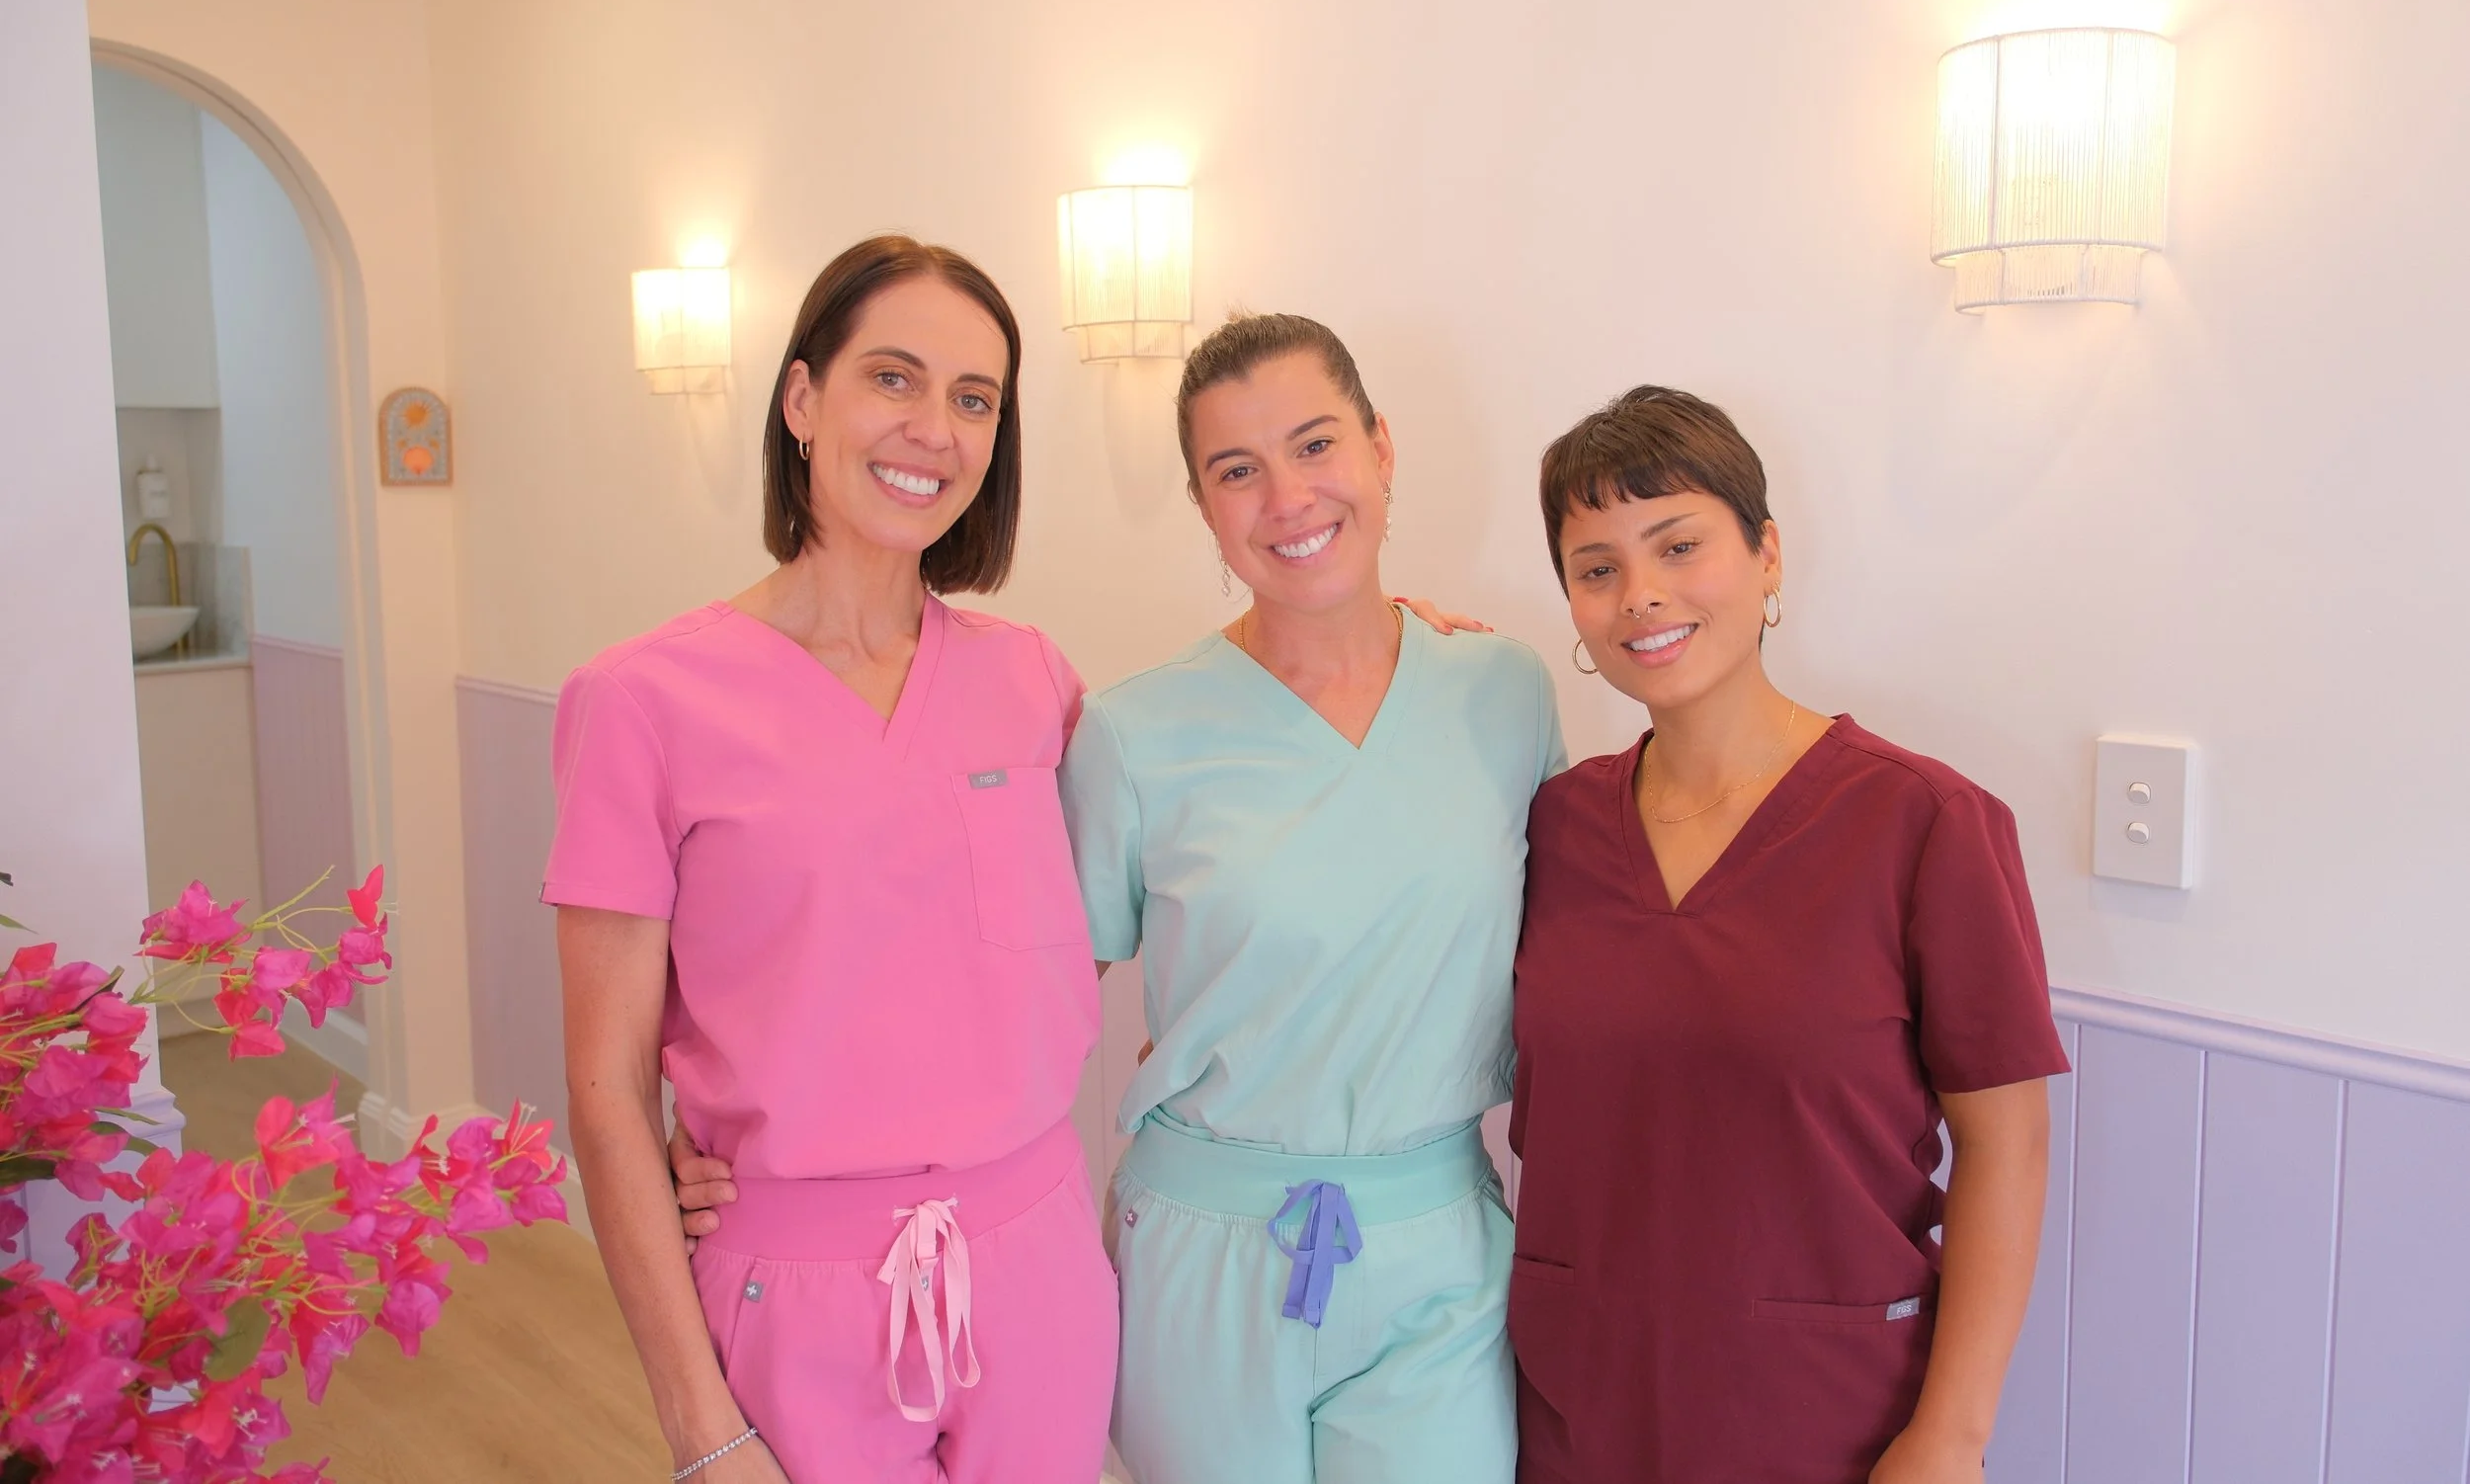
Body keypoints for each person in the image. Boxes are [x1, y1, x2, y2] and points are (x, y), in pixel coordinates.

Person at [546, 237, 1117, 1484]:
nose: (935, 428)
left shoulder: (1033, 680)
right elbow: (603, 1089)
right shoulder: (641, 703)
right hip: (792, 1295)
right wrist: (703, 1429)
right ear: (802, 399)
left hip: (1040, 1267)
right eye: (893, 378)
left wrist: (1377, 623)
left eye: (975, 398)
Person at [1507, 386, 2067, 1484]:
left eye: (1678, 544)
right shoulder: (1555, 825)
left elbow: (2009, 1145)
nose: (1641, 595)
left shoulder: (1924, 824)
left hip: (1827, 1415)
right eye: (1597, 566)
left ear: (1766, 556)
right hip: (1575, 1401)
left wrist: (1949, 1438)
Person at [1062, 313, 1564, 1484]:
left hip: (1436, 1240)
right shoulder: (1133, 734)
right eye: (1235, 470)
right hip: (1202, 1244)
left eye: (1315, 444)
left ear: (1382, 449)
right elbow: (1030, 1005)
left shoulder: (1502, 689)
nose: (1285, 496)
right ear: (1202, 506)